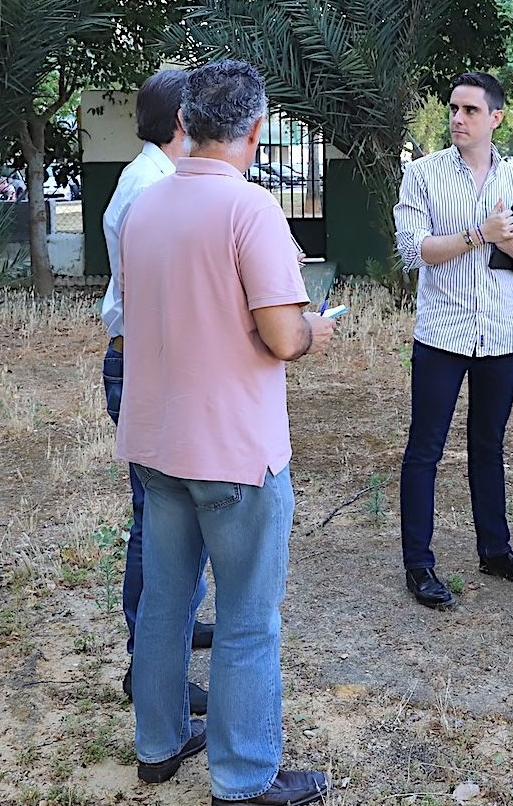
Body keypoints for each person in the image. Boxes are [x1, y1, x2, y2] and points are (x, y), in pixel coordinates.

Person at [121, 60, 335, 806]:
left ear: (184, 121)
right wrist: (314, 330)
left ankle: (158, 742)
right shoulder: (250, 209)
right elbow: (281, 335)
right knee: (247, 618)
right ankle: (243, 777)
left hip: (156, 438)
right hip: (234, 450)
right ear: (256, 128)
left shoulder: (145, 204)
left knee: (164, 602)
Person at [393, 71, 513, 609]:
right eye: (453, 109)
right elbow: (414, 251)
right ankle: (419, 563)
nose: (457, 119)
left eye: (470, 110)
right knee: (425, 449)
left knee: (489, 444)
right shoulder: (423, 174)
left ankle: (495, 550)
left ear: (496, 118)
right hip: (443, 332)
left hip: (501, 333)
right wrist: (479, 234)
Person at [97, 69, 211, 710]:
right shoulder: (153, 187)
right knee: (158, 520)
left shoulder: (151, 176)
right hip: (146, 362)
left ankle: (173, 627)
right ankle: (148, 660)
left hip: (147, 358)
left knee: (170, 515)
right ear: (183, 123)